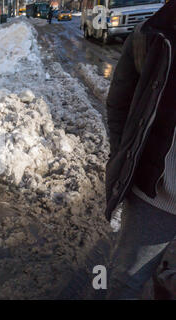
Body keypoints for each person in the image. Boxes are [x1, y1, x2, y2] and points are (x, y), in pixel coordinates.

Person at [104, 1, 176, 299]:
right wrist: (128, 158)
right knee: (126, 281)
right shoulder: (152, 34)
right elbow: (119, 105)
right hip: (157, 194)